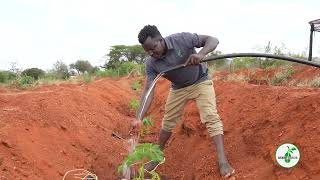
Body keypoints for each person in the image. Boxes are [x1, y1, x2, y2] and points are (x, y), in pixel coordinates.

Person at [132, 25, 235, 178]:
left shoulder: (182, 39)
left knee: (211, 117)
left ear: (161, 39)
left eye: (153, 48)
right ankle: (157, 158)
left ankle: (222, 161)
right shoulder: (151, 63)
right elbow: (148, 90)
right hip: (178, 88)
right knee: (167, 122)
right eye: (148, 51)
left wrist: (201, 54)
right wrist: (139, 117)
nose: (151, 53)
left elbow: (213, 40)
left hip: (200, 81)